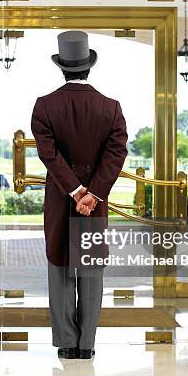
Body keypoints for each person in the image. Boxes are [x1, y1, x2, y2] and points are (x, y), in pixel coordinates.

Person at [31, 30, 128, 359]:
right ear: (89, 66)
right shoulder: (111, 108)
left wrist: (73, 190)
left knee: (59, 267)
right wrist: (93, 194)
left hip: (60, 199)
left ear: (62, 67)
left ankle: (67, 343)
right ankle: (87, 345)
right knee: (90, 269)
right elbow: (116, 155)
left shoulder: (44, 106)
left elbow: (49, 154)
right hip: (94, 204)